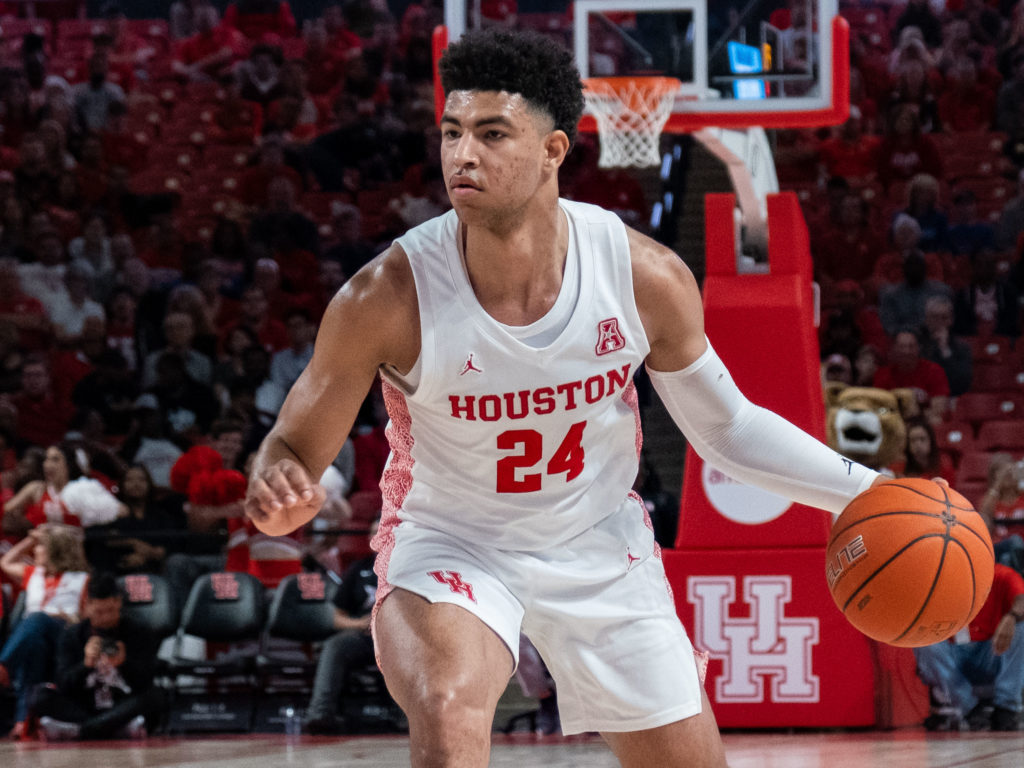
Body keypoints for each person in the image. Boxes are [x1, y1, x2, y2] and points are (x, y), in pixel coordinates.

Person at [244, 28, 882, 767]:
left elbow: (729, 429)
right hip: (452, 541)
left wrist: (868, 491)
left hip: (598, 543)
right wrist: (279, 485)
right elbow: (291, 447)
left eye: (491, 134)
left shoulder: (643, 276)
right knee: (450, 714)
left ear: (553, 150)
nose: (462, 155)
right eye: (451, 133)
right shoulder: (386, 296)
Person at [31, 572, 163, 741]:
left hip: (121, 704)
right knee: (39, 696)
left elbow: (146, 681)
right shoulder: (72, 635)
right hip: (84, 706)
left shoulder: (138, 632)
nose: (106, 618)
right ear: (88, 605)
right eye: (99, 612)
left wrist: (124, 663)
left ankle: (84, 730)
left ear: (119, 603)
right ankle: (109, 728)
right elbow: (63, 684)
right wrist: (85, 665)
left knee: (156, 696)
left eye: (110, 611)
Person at [0, 525, 90, 737]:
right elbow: (5, 562)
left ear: (55, 550)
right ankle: (24, 722)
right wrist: (30, 539)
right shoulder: (33, 574)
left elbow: (88, 620)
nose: (35, 550)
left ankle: (4, 666)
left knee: (37, 618)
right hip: (36, 639)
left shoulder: (81, 578)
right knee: (35, 644)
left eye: (41, 546)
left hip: (66, 636)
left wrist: (68, 618)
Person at [914, 563, 1024, 732]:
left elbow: (1021, 598)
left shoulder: (1001, 575)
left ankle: (1007, 709)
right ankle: (971, 709)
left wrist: (1012, 616)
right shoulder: (939, 579)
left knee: (1021, 627)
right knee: (922, 638)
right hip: (956, 659)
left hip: (992, 654)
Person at [304, 520, 380, 734]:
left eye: (381, 530)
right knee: (335, 645)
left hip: (398, 639)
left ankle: (411, 717)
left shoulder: (406, 568)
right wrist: (359, 623)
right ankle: (320, 714)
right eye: (372, 532)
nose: (376, 536)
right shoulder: (358, 569)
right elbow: (337, 619)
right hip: (364, 636)